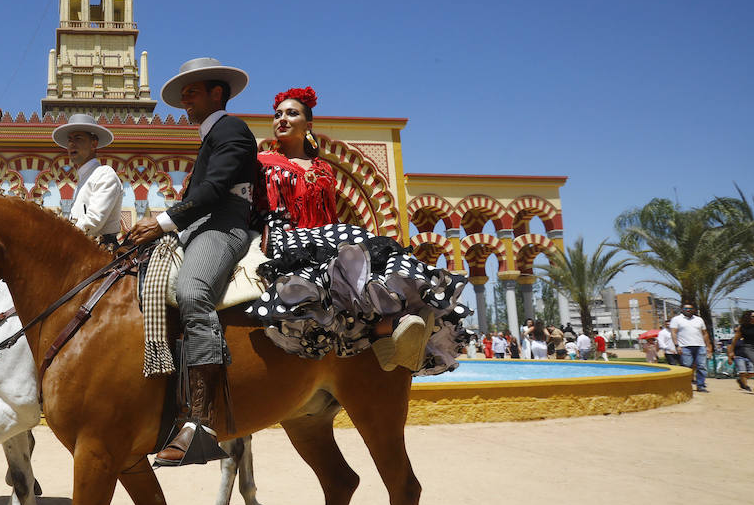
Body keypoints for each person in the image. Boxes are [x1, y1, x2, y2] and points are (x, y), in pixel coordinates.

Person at [244, 85, 465, 376]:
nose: (281, 119)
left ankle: (398, 320)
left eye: (291, 113)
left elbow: (328, 214)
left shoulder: (323, 168)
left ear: (308, 125)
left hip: (321, 234)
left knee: (368, 246)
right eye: (277, 114)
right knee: (352, 242)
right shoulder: (262, 162)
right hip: (283, 235)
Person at [125, 58, 260, 467]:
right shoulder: (211, 136)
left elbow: (217, 190)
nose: (184, 100)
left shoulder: (231, 129)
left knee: (191, 290)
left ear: (217, 93)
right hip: (198, 226)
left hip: (223, 226)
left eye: (192, 91)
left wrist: (163, 221)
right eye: (183, 93)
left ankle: (200, 423)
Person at [53, 113, 124, 246]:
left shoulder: (104, 174)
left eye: (78, 138)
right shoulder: (83, 179)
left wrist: (58, 233)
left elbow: (93, 223)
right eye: (70, 139)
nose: (72, 144)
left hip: (101, 253)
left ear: (94, 144)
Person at [669, 305, 713, 392]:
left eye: (690, 309)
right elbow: (673, 333)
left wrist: (708, 346)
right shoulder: (676, 319)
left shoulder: (699, 319)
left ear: (694, 310)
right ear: (682, 309)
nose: (688, 310)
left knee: (701, 366)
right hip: (685, 347)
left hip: (700, 346)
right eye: (686, 308)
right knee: (687, 366)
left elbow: (705, 333)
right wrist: (677, 346)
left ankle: (700, 386)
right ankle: (685, 385)